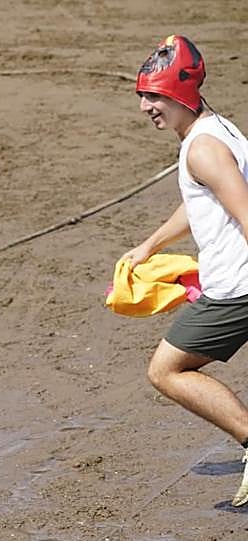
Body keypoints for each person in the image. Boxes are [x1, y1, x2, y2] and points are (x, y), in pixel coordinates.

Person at [122, 35, 248, 505]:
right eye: (142, 96)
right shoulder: (216, 130)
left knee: (167, 370)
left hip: (237, 288)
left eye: (153, 96)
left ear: (179, 93)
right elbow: (202, 201)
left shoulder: (202, 149)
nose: (145, 107)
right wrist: (150, 245)